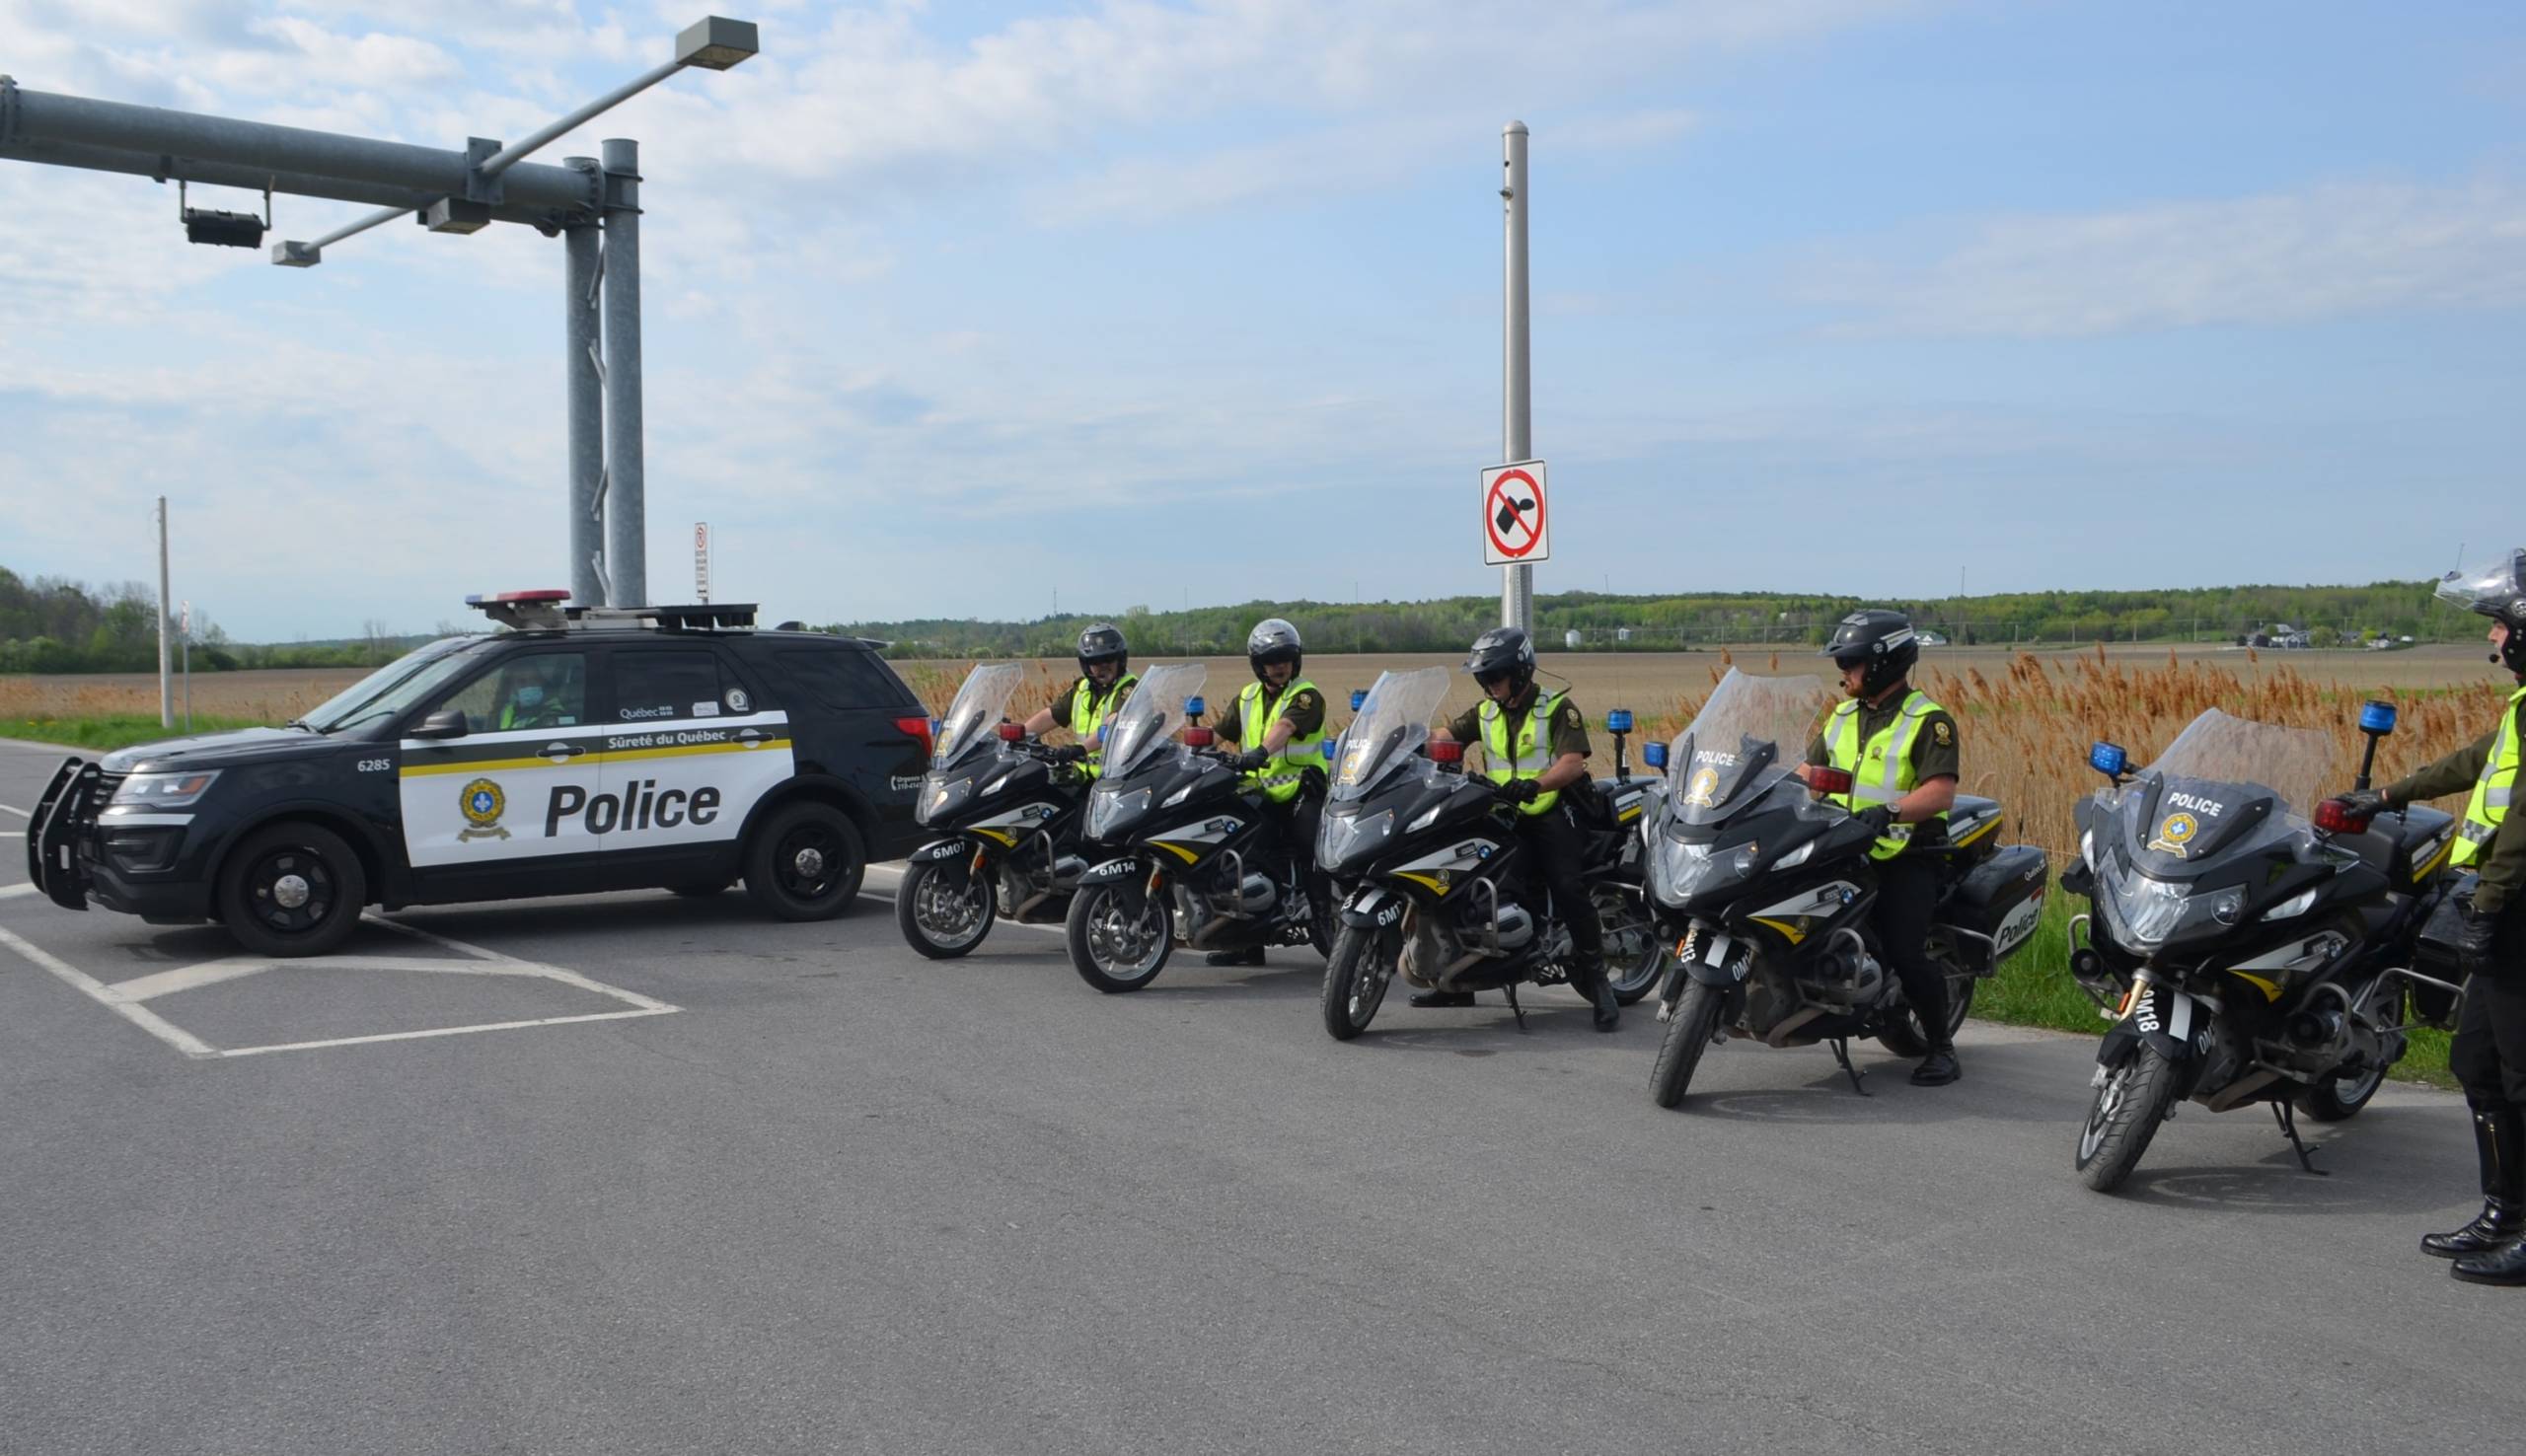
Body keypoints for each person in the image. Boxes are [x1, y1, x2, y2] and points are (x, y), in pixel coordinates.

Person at [2337, 550, 2526, 1286]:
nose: (2495, 644)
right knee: (2478, 1065)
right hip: (2501, 905)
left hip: (2513, 908)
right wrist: (2384, 798)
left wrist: (2489, 904)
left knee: (2519, 1076)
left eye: (2503, 629)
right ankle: (2504, 1212)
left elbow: (2520, 827)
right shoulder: (2523, 709)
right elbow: (2475, 763)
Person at [1792, 609, 1963, 1085]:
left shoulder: (1929, 720)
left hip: (1905, 853)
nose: (1842, 672)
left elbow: (1940, 792)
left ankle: (1943, 1049)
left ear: (1883, 664)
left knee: (1907, 952)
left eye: (1850, 662)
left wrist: (1887, 812)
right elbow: (1807, 777)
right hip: (1841, 847)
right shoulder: (1842, 716)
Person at [1425, 625, 1618, 1031]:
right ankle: (1457, 980)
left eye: (1494, 677)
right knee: (1459, 877)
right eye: (1483, 679)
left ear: (1521, 672)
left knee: (1567, 885)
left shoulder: (1557, 708)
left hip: (1549, 808)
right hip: (1502, 811)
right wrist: (1402, 740)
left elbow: (1572, 763)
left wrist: (1535, 784)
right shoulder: (1486, 711)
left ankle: (1597, 979)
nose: (1488, 685)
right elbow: (1444, 736)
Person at [1206, 618, 1327, 967]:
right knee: (1241, 848)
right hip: (1261, 794)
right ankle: (1247, 940)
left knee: (1310, 851)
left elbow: (1286, 727)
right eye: (1272, 660)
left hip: (1303, 789)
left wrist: (1259, 752)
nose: (1279, 666)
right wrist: (1190, 754)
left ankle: (1325, 923)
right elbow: (1218, 733)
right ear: (1258, 665)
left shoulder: (1305, 695)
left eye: (1286, 658)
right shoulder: (1246, 698)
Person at [1023, 623, 1137, 776]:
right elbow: (1050, 715)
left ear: (1120, 660)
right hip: (1083, 776)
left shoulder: (1129, 688)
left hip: (1116, 778)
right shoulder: (1083, 688)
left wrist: (1081, 749)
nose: (1103, 666)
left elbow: (1113, 724)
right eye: (1095, 661)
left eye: (1109, 659)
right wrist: (1018, 734)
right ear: (1086, 664)